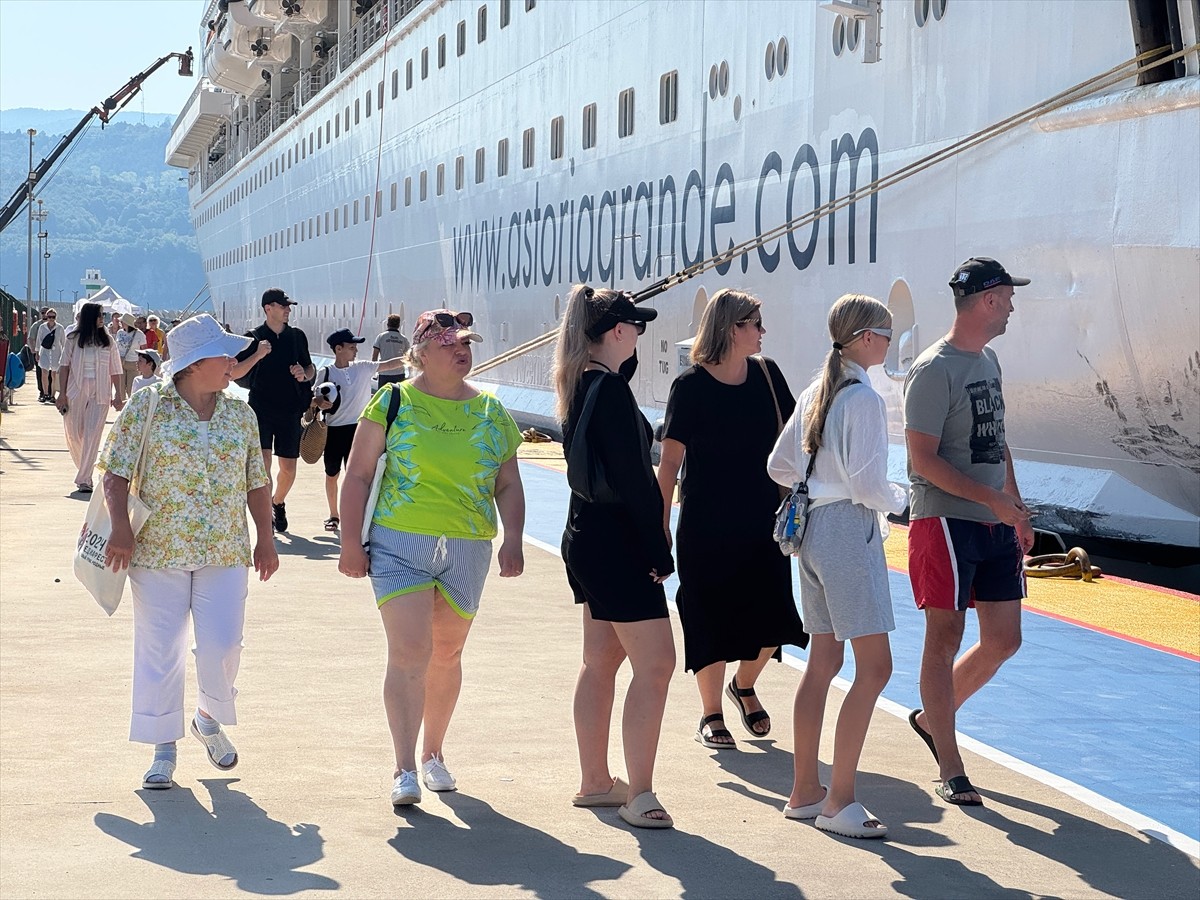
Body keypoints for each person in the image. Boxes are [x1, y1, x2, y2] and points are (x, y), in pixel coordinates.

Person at [338, 309, 525, 807]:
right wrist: (350, 542)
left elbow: (507, 482)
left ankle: (433, 753)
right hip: (401, 541)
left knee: (447, 653)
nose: (461, 350)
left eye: (465, 342)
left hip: (467, 545)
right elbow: (356, 475)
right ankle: (403, 766)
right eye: (448, 344)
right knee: (410, 650)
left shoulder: (491, 411)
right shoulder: (392, 401)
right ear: (420, 352)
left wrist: (514, 538)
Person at [97, 314, 278, 791]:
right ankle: (163, 747)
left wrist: (266, 537)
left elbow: (256, 482)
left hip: (224, 548)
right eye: (224, 354)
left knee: (223, 646)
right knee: (161, 650)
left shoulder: (241, 412)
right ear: (195, 363)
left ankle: (207, 717)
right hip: (157, 549)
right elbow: (113, 472)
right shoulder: (147, 405)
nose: (232, 362)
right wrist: (120, 529)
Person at [767, 293, 908, 838]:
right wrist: (904, 502)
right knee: (875, 668)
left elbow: (779, 465)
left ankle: (806, 789)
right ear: (867, 338)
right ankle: (839, 800)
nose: (891, 342)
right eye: (887, 333)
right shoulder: (864, 400)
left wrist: (817, 482)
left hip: (813, 533)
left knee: (823, 660)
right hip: (849, 531)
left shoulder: (816, 392)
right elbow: (869, 485)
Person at [904, 258, 1035, 807]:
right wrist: (991, 500)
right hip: (945, 521)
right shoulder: (934, 370)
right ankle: (951, 765)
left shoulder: (989, 361)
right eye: (1007, 296)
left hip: (993, 520)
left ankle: (932, 719)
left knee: (1005, 638)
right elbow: (921, 460)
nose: (1011, 306)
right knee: (945, 636)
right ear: (986, 300)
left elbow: (996, 437)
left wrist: (1016, 504)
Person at [656, 288, 807, 751]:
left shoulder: (767, 375)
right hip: (705, 524)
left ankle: (743, 685)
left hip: (764, 521)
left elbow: (793, 443)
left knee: (775, 617)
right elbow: (669, 464)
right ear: (731, 328)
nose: (763, 332)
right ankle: (711, 712)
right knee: (708, 616)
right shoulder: (690, 387)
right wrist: (659, 526)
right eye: (755, 324)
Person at [554, 285, 676, 830]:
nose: (641, 336)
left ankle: (596, 781)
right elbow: (634, 479)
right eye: (637, 327)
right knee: (657, 663)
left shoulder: (581, 383)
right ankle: (640, 792)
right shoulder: (609, 391)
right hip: (620, 541)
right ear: (618, 332)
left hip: (587, 534)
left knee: (600, 660)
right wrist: (658, 547)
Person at [230, 288, 316, 533]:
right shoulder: (254, 337)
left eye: (288, 306)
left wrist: (304, 374)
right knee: (264, 462)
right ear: (268, 308)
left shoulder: (297, 336)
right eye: (283, 306)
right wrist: (258, 354)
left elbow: (310, 369)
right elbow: (236, 373)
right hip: (261, 408)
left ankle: (278, 502)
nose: (288, 310)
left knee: (288, 469)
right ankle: (266, 514)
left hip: (290, 409)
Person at [313, 327, 406, 531]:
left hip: (358, 430)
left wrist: (415, 355)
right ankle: (333, 515)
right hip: (334, 430)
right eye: (352, 347)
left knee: (359, 475)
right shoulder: (326, 372)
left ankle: (358, 514)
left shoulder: (363, 367)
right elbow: (314, 399)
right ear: (338, 349)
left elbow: (389, 364)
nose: (356, 350)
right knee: (332, 474)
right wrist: (319, 402)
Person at [54, 303, 124, 493]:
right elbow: (64, 366)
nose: (103, 318)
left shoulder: (108, 341)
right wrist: (61, 393)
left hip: (100, 393)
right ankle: (84, 468)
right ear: (90, 317)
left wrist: (119, 394)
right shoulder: (73, 339)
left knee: (93, 435)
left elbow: (116, 370)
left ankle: (85, 478)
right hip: (75, 391)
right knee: (75, 434)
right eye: (100, 315)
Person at [35, 308, 66, 403]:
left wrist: (64, 355)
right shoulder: (42, 327)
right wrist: (37, 353)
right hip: (44, 352)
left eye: (53, 317)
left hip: (56, 353)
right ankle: (45, 394)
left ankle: (52, 395)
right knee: (44, 373)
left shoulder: (60, 328)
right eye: (49, 317)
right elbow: (38, 340)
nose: (51, 319)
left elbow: (63, 342)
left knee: (54, 374)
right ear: (46, 317)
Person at [372, 314, 411, 387]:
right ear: (399, 325)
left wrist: (373, 372)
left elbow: (374, 356)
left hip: (384, 373)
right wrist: (410, 374)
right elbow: (409, 357)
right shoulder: (403, 339)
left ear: (387, 324)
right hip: (399, 373)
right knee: (398, 397)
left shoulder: (381, 337)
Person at [116, 314, 148, 398]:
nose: (120, 323)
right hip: (120, 361)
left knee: (131, 387)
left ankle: (130, 405)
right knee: (120, 387)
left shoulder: (139, 334)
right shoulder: (120, 332)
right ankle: (122, 406)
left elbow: (144, 349)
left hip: (133, 363)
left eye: (122, 321)